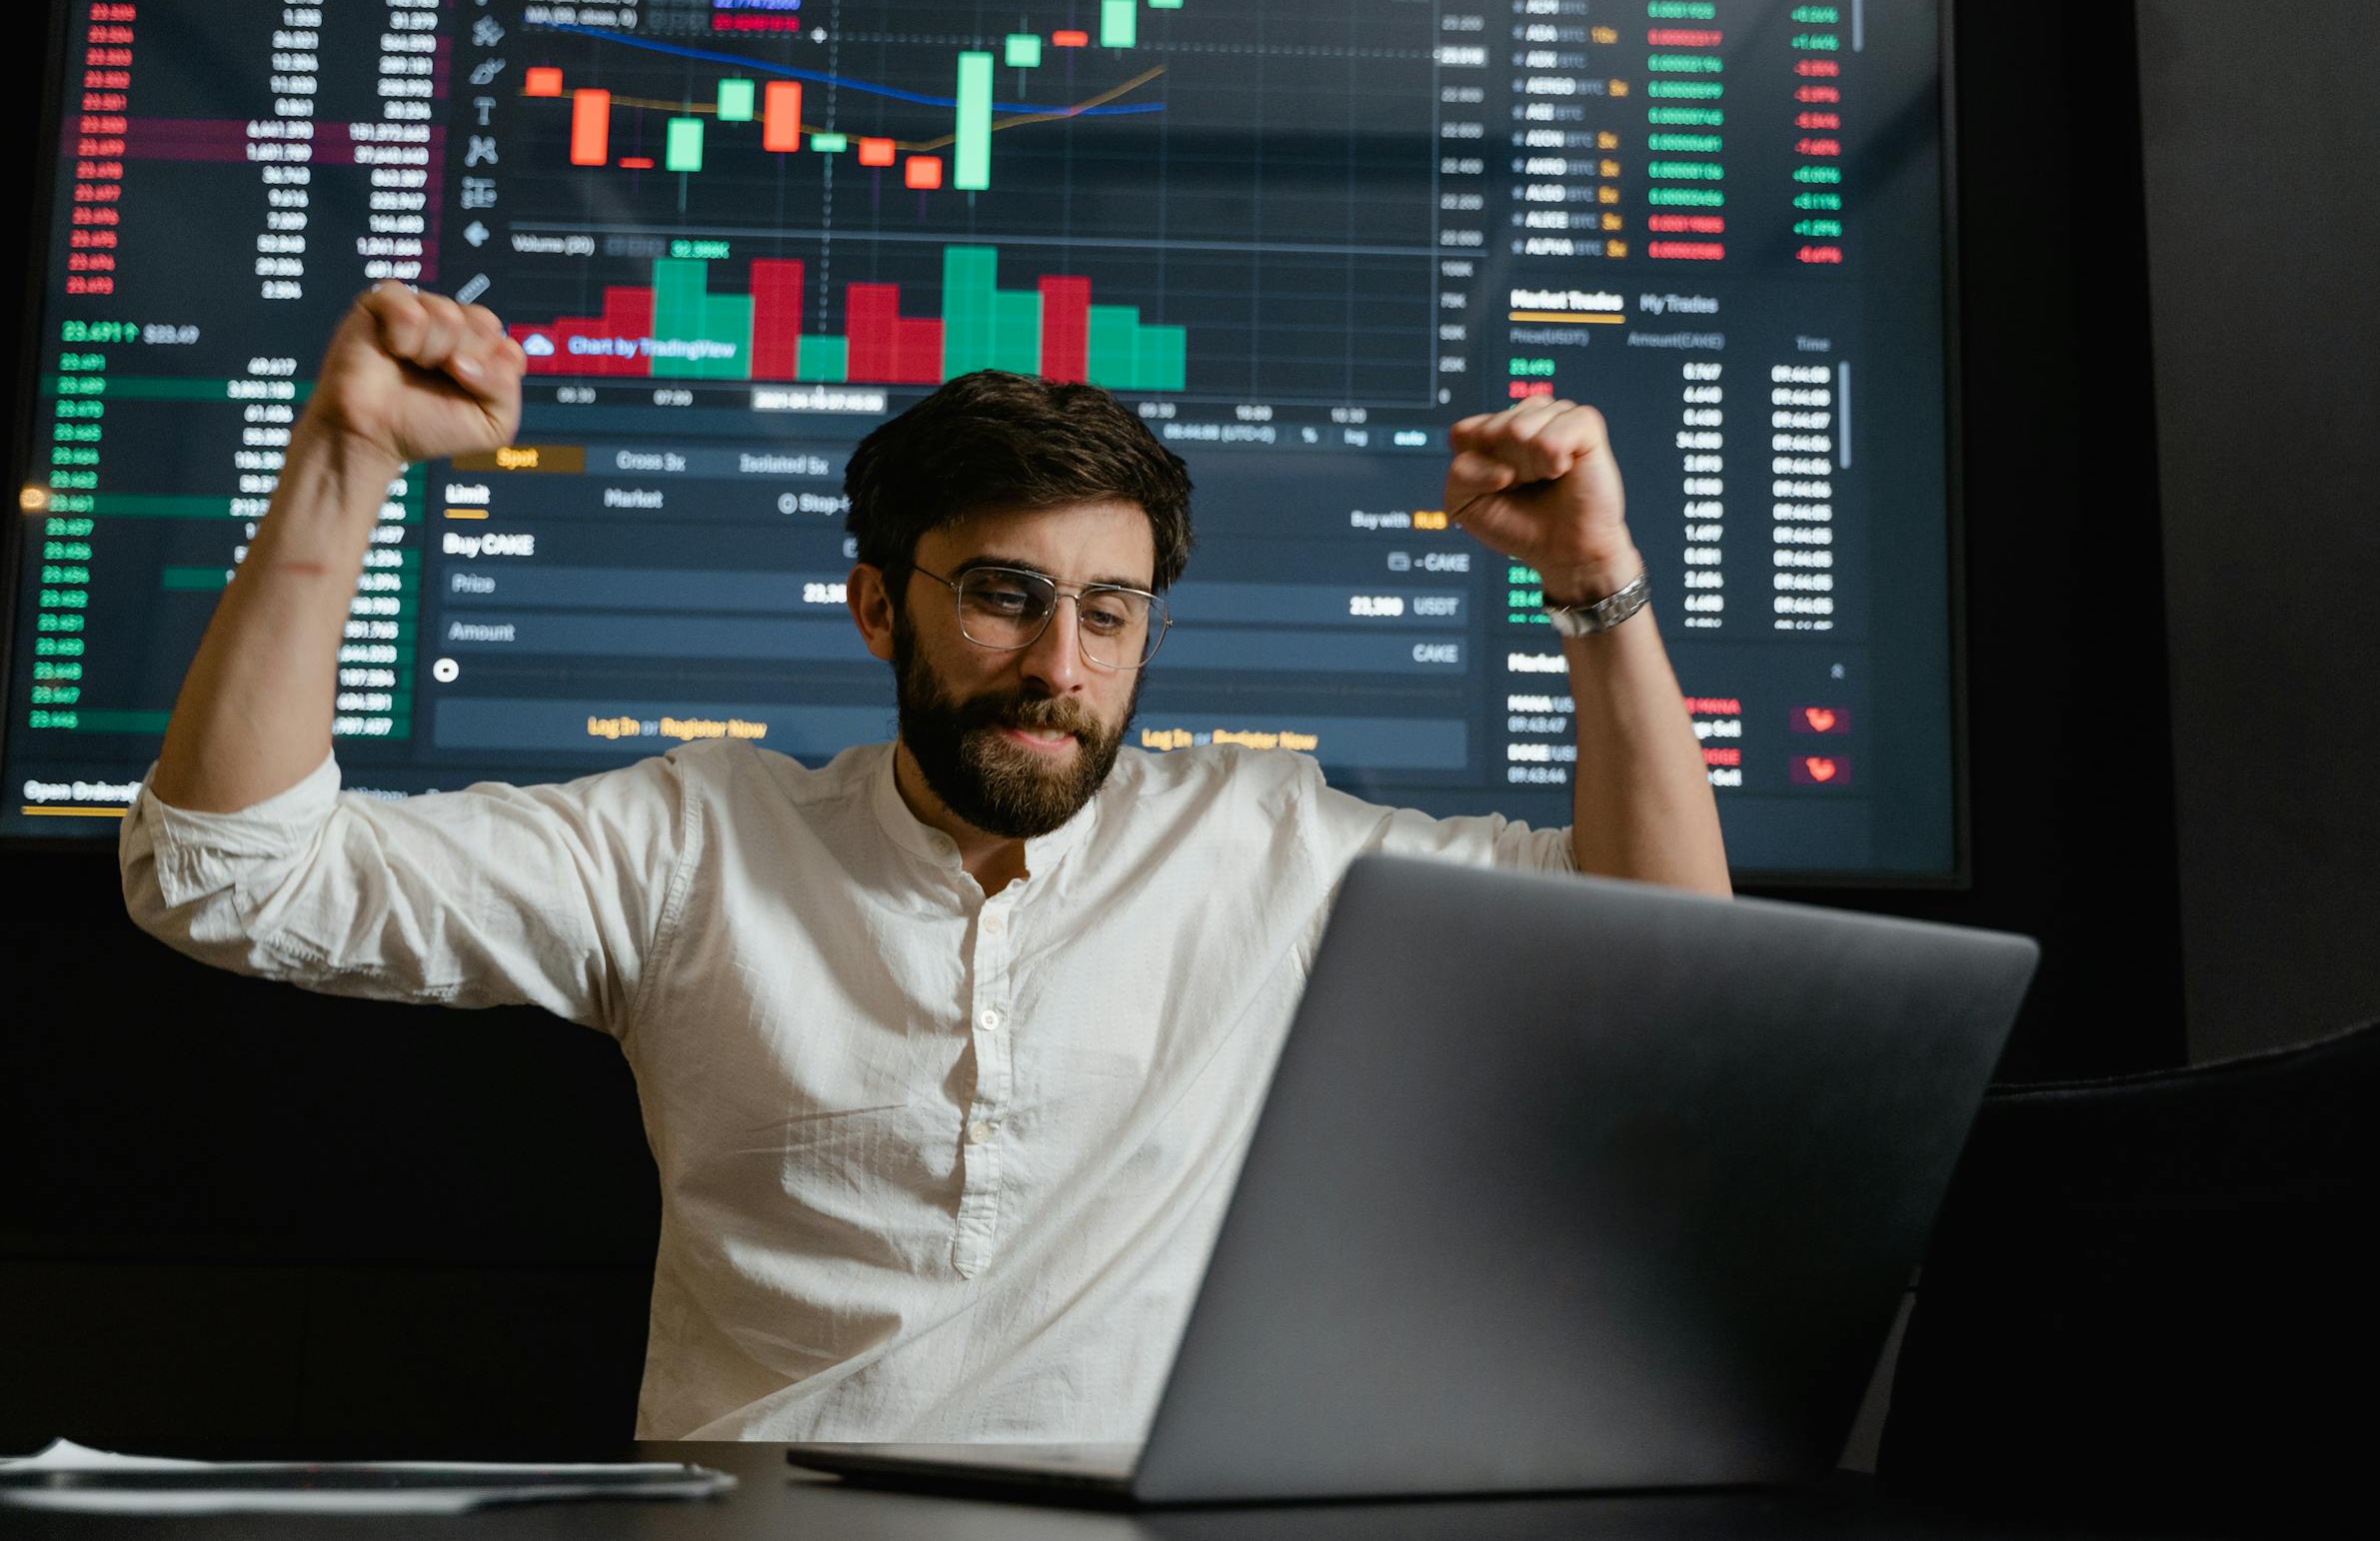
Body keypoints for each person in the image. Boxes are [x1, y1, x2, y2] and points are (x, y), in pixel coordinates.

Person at [122, 282, 1730, 1441]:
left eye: (1111, 612)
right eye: (1005, 596)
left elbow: (1667, 954)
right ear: (881, 609)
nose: (1061, 664)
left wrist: (1597, 585)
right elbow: (228, 873)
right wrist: (346, 455)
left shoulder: (1267, 842)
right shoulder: (691, 844)